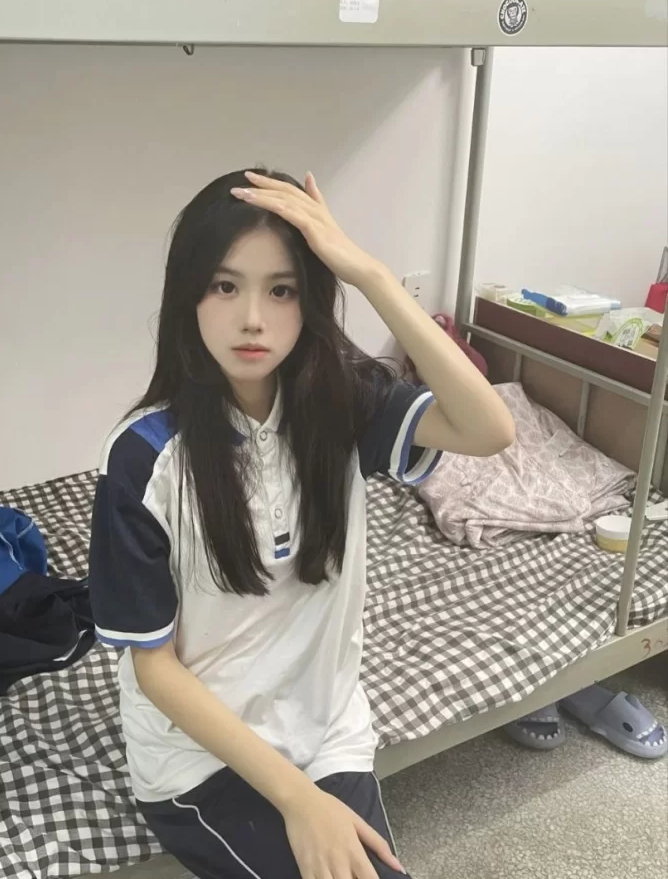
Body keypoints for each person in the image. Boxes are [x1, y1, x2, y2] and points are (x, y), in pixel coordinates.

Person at [89, 169, 515, 879]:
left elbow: (490, 427)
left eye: (282, 289)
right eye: (225, 286)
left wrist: (370, 273)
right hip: (201, 756)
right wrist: (297, 801)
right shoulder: (143, 457)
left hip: (325, 730)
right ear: (188, 296)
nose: (253, 318)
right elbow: (154, 669)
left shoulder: (343, 402)